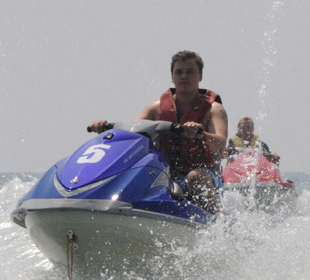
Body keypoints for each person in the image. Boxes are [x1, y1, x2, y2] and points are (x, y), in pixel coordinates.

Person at [90, 50, 228, 213]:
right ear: (172, 76)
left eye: (190, 72)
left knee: (195, 177)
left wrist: (200, 134)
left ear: (200, 76)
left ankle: (214, 226)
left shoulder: (214, 109)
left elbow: (220, 144)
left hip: (205, 175)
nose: (184, 76)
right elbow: (132, 135)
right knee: (138, 168)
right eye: (179, 72)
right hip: (166, 173)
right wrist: (104, 129)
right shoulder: (155, 109)